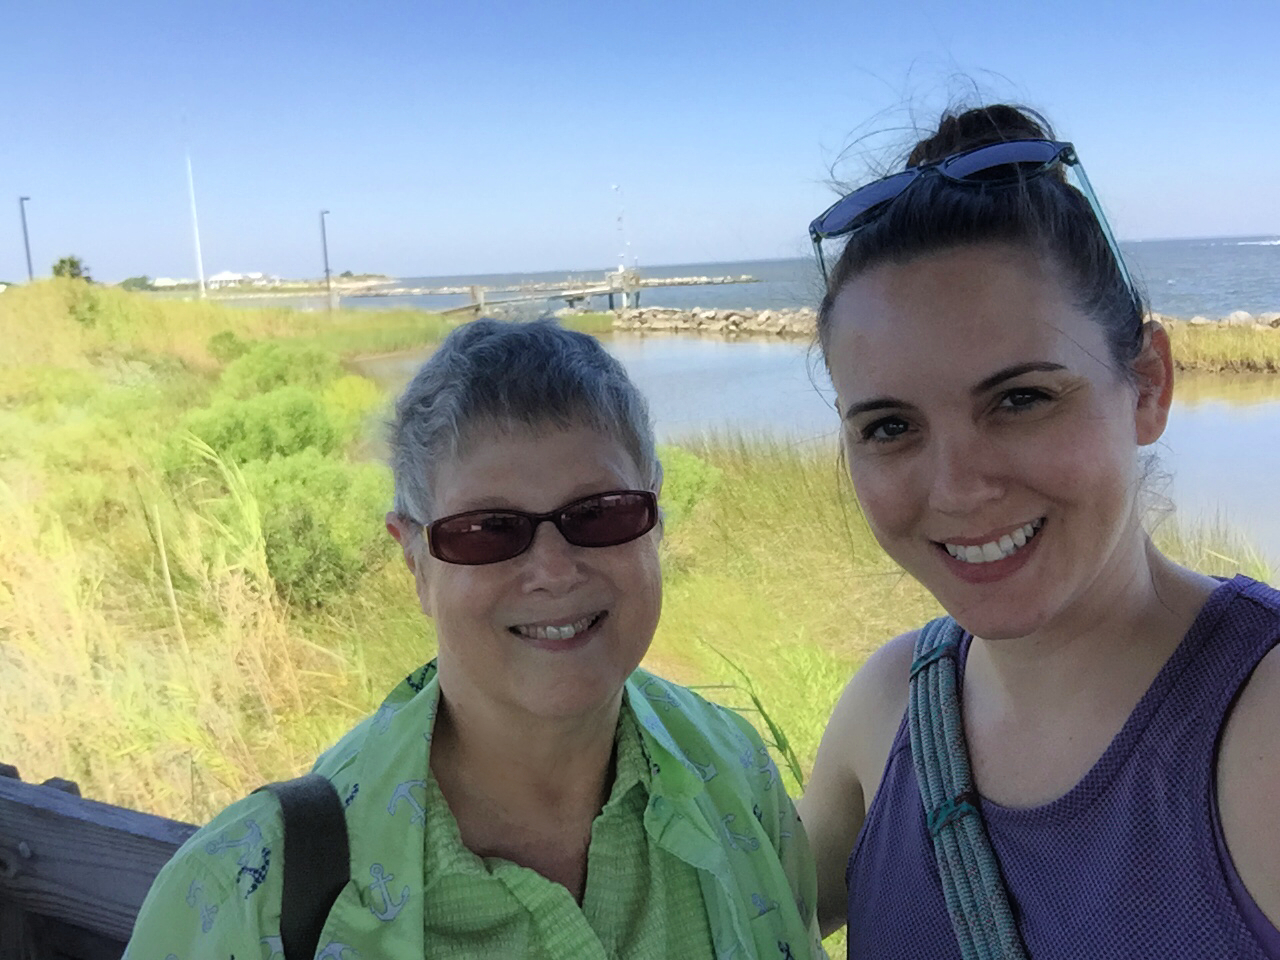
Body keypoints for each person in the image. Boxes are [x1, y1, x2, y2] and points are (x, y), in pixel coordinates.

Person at [126, 318, 825, 959]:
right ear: (414, 560)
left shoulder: (735, 773)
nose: (553, 571)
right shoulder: (247, 897)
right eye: (488, 529)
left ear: (655, 517)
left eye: (602, 513)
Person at [798, 104, 1280, 959]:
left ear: (1148, 386)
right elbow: (715, 916)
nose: (957, 489)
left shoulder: (1259, 727)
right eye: (889, 427)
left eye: (1020, 399)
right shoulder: (889, 709)